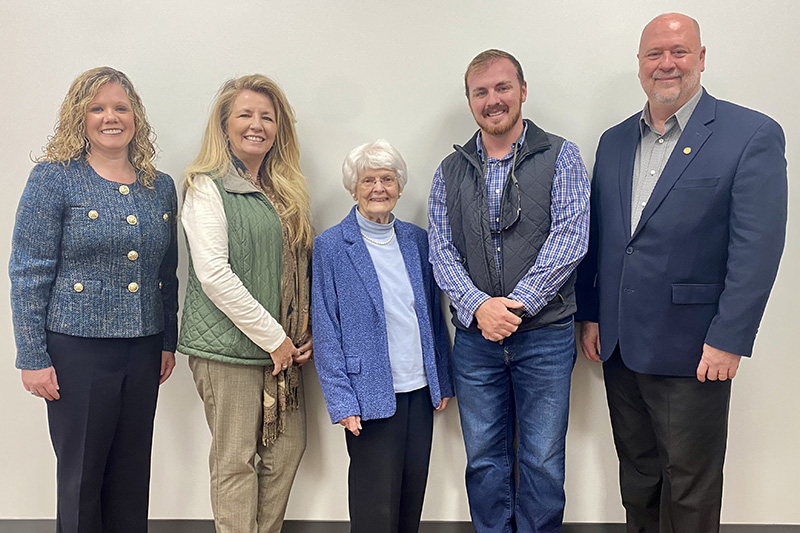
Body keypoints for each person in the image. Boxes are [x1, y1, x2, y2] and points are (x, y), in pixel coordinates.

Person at [575, 13, 787, 532]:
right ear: (640, 65)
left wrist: (729, 337)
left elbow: (757, 247)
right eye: (654, 54)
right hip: (620, 345)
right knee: (638, 479)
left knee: (690, 487)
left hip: (696, 350)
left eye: (679, 52)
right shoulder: (615, 141)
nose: (666, 64)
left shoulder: (750, 134)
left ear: (701, 58)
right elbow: (599, 236)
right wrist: (591, 314)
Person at [9, 66, 178, 532]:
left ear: (135, 117)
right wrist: (32, 355)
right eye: (97, 108)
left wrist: (168, 341)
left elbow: (166, 274)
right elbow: (28, 270)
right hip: (75, 351)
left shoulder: (158, 185)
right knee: (82, 477)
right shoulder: (53, 179)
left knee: (130, 475)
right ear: (78, 117)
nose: (111, 117)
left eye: (121, 107)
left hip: (143, 349)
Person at [428, 50, 590, 532]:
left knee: (542, 460)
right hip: (476, 342)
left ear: (522, 90)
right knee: (482, 460)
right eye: (481, 92)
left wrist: (513, 308)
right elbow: (441, 250)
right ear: (469, 100)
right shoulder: (448, 170)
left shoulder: (562, 156)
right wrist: (480, 308)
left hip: (544, 336)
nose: (493, 100)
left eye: (502, 88)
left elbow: (570, 238)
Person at [177, 74, 313, 533]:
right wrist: (276, 338)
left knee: (287, 450)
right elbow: (213, 274)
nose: (257, 125)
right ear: (224, 125)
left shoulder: (285, 192)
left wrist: (302, 331)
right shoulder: (205, 185)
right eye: (245, 115)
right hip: (229, 351)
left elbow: (296, 268)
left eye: (267, 117)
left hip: (283, 351)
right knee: (236, 461)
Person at [313, 140, 454, 533]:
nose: (379, 188)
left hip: (420, 390)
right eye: (368, 179)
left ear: (399, 186)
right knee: (374, 510)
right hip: (367, 395)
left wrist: (440, 376)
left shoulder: (417, 240)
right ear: (353, 188)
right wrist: (341, 399)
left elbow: (430, 312)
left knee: (411, 500)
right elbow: (325, 326)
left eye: (387, 179)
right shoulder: (330, 246)